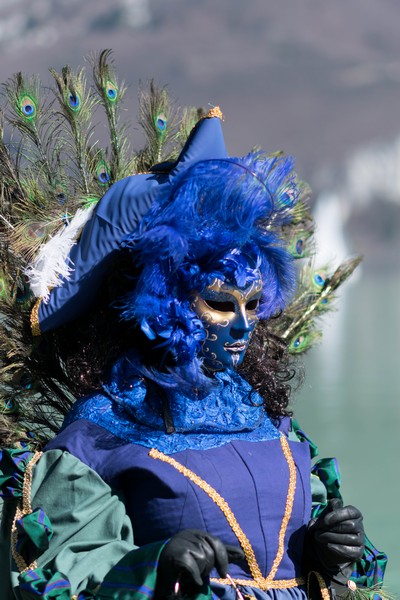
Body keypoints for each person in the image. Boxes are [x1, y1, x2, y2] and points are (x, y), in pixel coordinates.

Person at [0, 63, 386, 600]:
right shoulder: (95, 440)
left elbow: (310, 572)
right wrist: (157, 569)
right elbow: (65, 580)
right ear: (160, 303)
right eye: (222, 303)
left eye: (256, 303)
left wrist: (328, 553)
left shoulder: (266, 420)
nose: (246, 325)